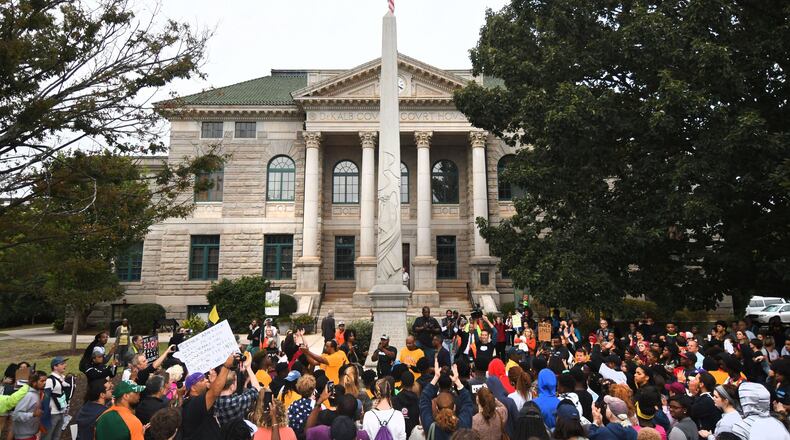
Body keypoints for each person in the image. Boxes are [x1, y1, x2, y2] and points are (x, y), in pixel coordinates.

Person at [180, 355, 235, 440]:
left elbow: (212, 395)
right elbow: (214, 393)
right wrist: (226, 366)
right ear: (193, 388)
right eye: (202, 380)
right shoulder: (193, 403)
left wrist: (213, 383)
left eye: (205, 378)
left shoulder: (197, 399)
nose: (206, 380)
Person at [418, 364, 473, 440]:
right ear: (454, 407)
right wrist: (457, 382)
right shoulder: (463, 425)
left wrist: (435, 377)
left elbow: (424, 399)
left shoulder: (430, 427)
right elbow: (468, 402)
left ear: (436, 408)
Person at [215, 360, 261, 426]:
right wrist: (248, 367)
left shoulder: (214, 400)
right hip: (236, 434)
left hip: (222, 434)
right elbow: (257, 389)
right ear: (232, 386)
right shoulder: (236, 402)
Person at [42, 356, 73, 440]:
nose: (65, 365)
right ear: (55, 367)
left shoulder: (63, 378)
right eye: (62, 364)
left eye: (65, 363)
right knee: (47, 436)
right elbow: (46, 397)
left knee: (57, 436)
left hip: (61, 412)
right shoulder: (50, 380)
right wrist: (45, 414)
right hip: (52, 413)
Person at [12, 370, 47, 440]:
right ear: (34, 383)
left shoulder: (37, 393)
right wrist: (32, 414)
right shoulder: (28, 395)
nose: (45, 383)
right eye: (42, 381)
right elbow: (15, 415)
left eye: (46, 380)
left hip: (32, 434)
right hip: (24, 436)